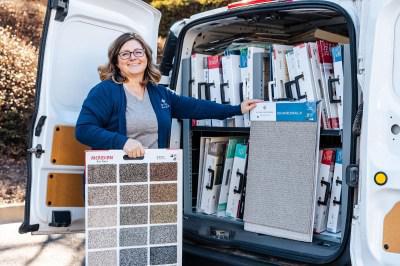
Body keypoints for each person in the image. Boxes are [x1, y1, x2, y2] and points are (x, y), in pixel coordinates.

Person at [75, 32, 258, 157]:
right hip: (114, 177)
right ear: (116, 61)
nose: (133, 57)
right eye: (125, 54)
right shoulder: (104, 92)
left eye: (138, 52)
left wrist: (237, 109)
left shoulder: (159, 93)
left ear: (147, 57)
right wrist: (122, 142)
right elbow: (84, 130)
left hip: (152, 173)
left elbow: (195, 107)